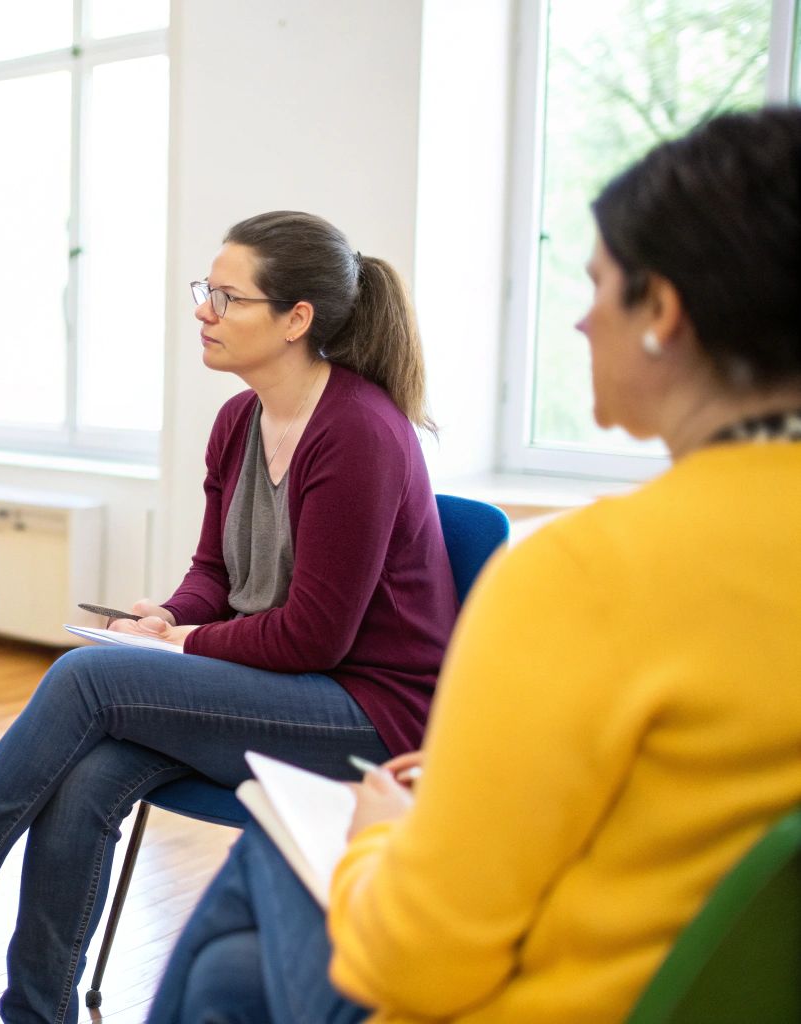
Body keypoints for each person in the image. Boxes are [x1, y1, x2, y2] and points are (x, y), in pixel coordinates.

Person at [148, 106, 801, 1024]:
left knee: (275, 842)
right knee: (229, 978)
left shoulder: (583, 576)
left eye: (597, 286)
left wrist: (375, 841)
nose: (577, 323)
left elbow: (414, 961)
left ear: (663, 313)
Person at [0, 211, 458, 1023]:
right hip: (274, 690)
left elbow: (315, 635)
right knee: (88, 774)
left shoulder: (361, 432)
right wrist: (170, 616)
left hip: (366, 718)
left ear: (298, 319)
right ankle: (34, 1014)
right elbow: (216, 576)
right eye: (206, 292)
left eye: (228, 298)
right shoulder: (239, 422)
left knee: (88, 680)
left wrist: (184, 645)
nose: (203, 311)